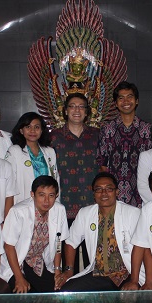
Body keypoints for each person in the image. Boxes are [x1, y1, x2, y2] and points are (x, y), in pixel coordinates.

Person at [56, 172, 141, 291]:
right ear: (94, 194)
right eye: (98, 189)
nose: (104, 193)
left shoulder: (132, 213)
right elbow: (71, 242)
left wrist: (134, 280)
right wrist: (69, 270)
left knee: (128, 299)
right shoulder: (85, 213)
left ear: (117, 192)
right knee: (67, 291)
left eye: (109, 189)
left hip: (128, 273)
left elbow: (142, 247)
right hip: (99, 274)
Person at [1, 176, 69, 293]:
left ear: (56, 195)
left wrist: (57, 270)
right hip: (16, 262)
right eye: (41, 195)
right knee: (24, 293)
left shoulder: (60, 210)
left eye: (51, 195)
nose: (46, 201)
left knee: (56, 291)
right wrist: (19, 278)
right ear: (32, 194)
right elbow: (8, 246)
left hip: (38, 261)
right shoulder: (18, 211)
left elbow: (58, 242)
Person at [97, 82, 152, 207]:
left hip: (141, 193)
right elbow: (102, 164)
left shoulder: (147, 130)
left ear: (137, 101)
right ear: (116, 103)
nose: (126, 101)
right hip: (114, 194)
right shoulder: (107, 129)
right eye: (121, 98)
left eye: (130, 97)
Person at [51, 92, 100, 227]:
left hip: (92, 202)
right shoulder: (54, 137)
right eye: (72, 106)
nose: (77, 110)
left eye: (81, 107)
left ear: (87, 112)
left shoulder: (97, 135)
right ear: (66, 111)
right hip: (64, 203)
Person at [6, 112, 59, 204]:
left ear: (41, 130)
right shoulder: (14, 151)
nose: (32, 131)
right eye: (28, 127)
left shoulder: (50, 151)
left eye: (37, 127)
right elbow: (9, 183)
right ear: (21, 130)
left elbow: (55, 179)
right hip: (23, 202)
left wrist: (57, 202)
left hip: (47, 202)